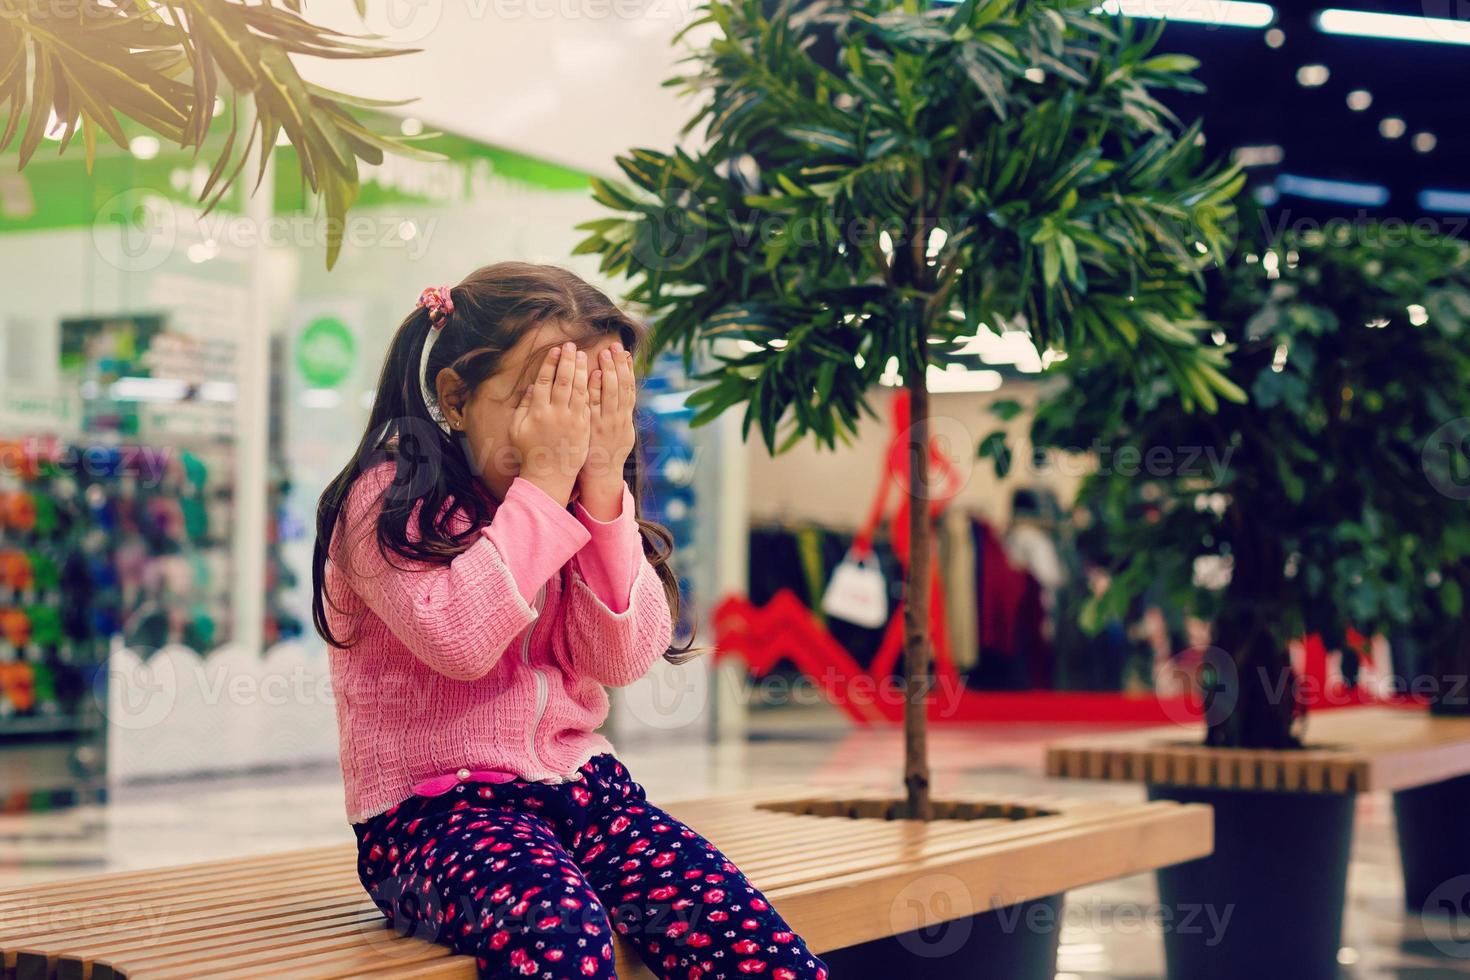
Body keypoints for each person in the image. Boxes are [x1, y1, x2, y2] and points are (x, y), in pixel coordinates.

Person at [312, 263, 827, 980]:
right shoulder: (386, 501)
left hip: (587, 794)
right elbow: (458, 638)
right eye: (538, 400)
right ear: (455, 398)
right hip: (434, 820)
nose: (564, 430)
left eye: (586, 404)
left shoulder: (572, 505)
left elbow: (619, 657)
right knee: (567, 942)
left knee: (746, 938)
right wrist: (546, 487)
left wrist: (603, 492)